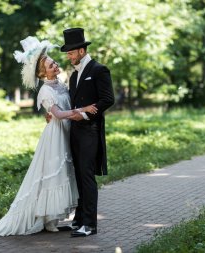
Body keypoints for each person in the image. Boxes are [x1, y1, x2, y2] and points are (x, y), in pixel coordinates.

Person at [0, 37, 97, 238]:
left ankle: (52, 220)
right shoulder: (45, 91)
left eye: (54, 62)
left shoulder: (61, 84)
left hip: (66, 132)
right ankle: (47, 220)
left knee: (63, 172)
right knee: (52, 173)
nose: (55, 64)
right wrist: (84, 109)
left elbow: (66, 106)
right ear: (41, 72)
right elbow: (61, 114)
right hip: (55, 135)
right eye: (50, 64)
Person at [60, 28, 115, 237]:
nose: (69, 57)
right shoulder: (73, 77)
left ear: (81, 51)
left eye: (71, 53)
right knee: (78, 176)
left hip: (90, 130)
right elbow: (71, 102)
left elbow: (108, 99)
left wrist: (84, 116)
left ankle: (90, 225)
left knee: (87, 176)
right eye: (67, 54)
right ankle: (79, 220)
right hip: (74, 132)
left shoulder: (99, 70)